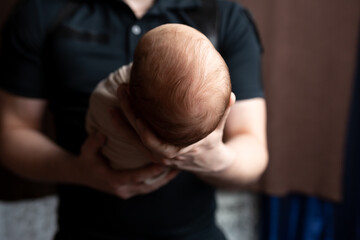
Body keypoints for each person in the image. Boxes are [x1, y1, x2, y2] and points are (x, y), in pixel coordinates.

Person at [0, 0, 268, 239]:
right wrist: (79, 171)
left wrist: (216, 159)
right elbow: (12, 133)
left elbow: (253, 149)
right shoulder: (40, 10)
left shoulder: (223, 14)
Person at [86, 24, 233, 172]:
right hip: (157, 175)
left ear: (128, 91)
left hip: (105, 159)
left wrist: (218, 159)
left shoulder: (110, 97)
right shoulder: (178, 132)